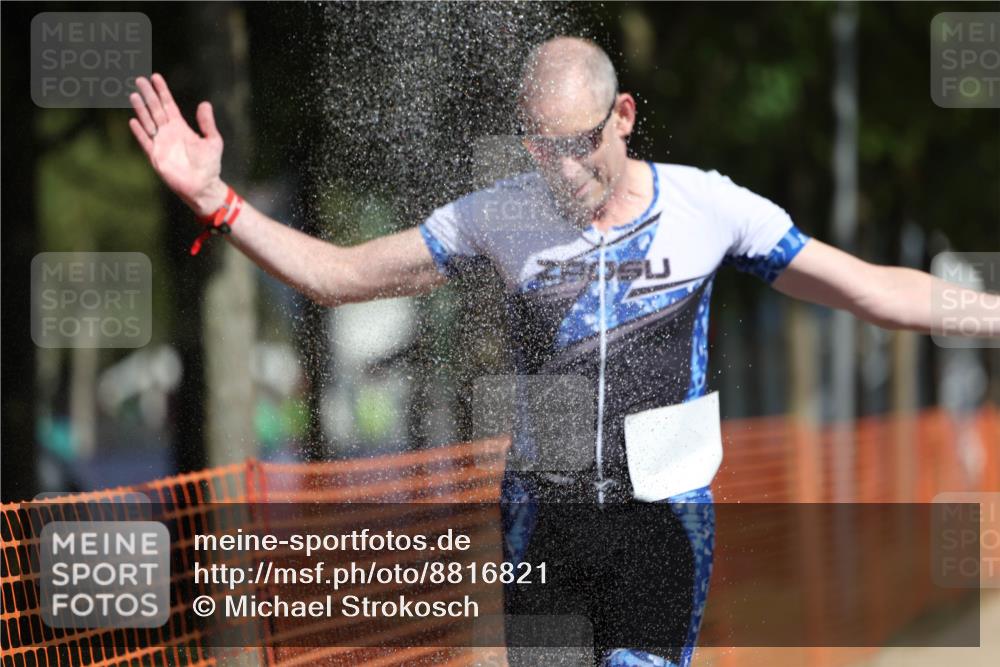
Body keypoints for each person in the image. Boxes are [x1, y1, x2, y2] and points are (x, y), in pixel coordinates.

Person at [128, 36, 996, 667]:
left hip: (663, 521)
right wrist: (220, 202)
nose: (564, 170)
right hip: (544, 520)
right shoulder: (501, 214)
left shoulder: (708, 208)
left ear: (621, 117)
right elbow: (340, 276)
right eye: (543, 148)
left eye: (580, 145)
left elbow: (873, 287)